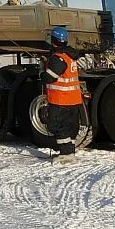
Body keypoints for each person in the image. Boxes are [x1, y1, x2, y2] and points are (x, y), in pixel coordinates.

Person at [41, 25, 85, 158]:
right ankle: (68, 151)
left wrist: (42, 71)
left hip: (61, 100)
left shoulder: (58, 58)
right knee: (68, 127)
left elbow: (50, 77)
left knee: (56, 125)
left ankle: (66, 153)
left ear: (53, 40)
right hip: (73, 99)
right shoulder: (70, 55)